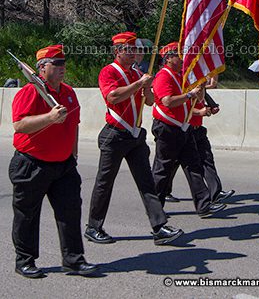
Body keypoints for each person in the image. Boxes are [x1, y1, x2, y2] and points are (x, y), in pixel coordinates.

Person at [85, 32, 183, 246]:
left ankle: (159, 226)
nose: (135, 54)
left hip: (135, 134)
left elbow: (149, 102)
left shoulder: (137, 72)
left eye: (136, 50)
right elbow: (112, 97)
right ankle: (94, 226)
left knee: (146, 181)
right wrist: (139, 84)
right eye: (130, 50)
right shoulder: (108, 72)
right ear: (118, 51)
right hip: (115, 133)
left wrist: (147, 88)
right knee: (105, 182)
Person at [8, 44, 97, 279]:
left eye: (63, 64)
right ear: (42, 68)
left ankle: (74, 260)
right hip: (32, 164)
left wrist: (74, 155)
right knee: (27, 215)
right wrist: (49, 118)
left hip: (64, 165)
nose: (62, 68)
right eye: (56, 64)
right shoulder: (29, 92)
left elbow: (74, 125)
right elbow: (19, 125)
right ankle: (25, 260)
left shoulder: (68, 92)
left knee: (70, 213)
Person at [151, 42, 227, 218]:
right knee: (163, 171)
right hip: (167, 128)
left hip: (183, 128)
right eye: (179, 54)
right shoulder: (164, 76)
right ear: (168, 58)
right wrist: (189, 95)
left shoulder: (179, 76)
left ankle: (204, 205)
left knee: (194, 166)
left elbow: (195, 99)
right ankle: (155, 209)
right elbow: (167, 101)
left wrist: (198, 90)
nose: (184, 57)